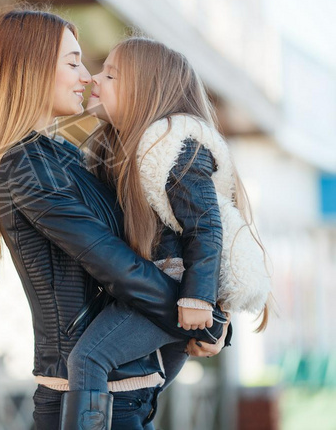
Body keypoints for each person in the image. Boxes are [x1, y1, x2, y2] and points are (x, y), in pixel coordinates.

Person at [0, 6, 230, 430]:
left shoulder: (68, 156)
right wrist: (200, 321)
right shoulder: (25, 167)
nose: (87, 77)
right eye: (73, 63)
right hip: (87, 399)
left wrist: (204, 307)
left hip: (123, 393)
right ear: (31, 69)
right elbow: (115, 266)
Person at [64, 37, 270, 421]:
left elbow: (205, 226)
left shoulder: (172, 148)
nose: (94, 77)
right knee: (142, 401)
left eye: (110, 74)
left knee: (90, 357)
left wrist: (198, 301)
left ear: (145, 92)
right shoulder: (114, 149)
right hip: (165, 291)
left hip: (174, 287)